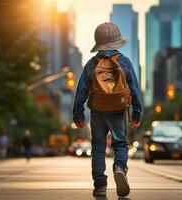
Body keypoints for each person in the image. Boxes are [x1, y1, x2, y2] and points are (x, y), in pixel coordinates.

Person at [73, 22, 143, 197]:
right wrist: (137, 112)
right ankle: (119, 167)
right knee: (120, 143)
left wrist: (78, 114)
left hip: (97, 110)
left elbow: (80, 91)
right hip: (119, 110)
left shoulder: (91, 64)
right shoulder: (125, 62)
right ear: (117, 42)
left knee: (98, 147)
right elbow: (134, 89)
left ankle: (100, 184)